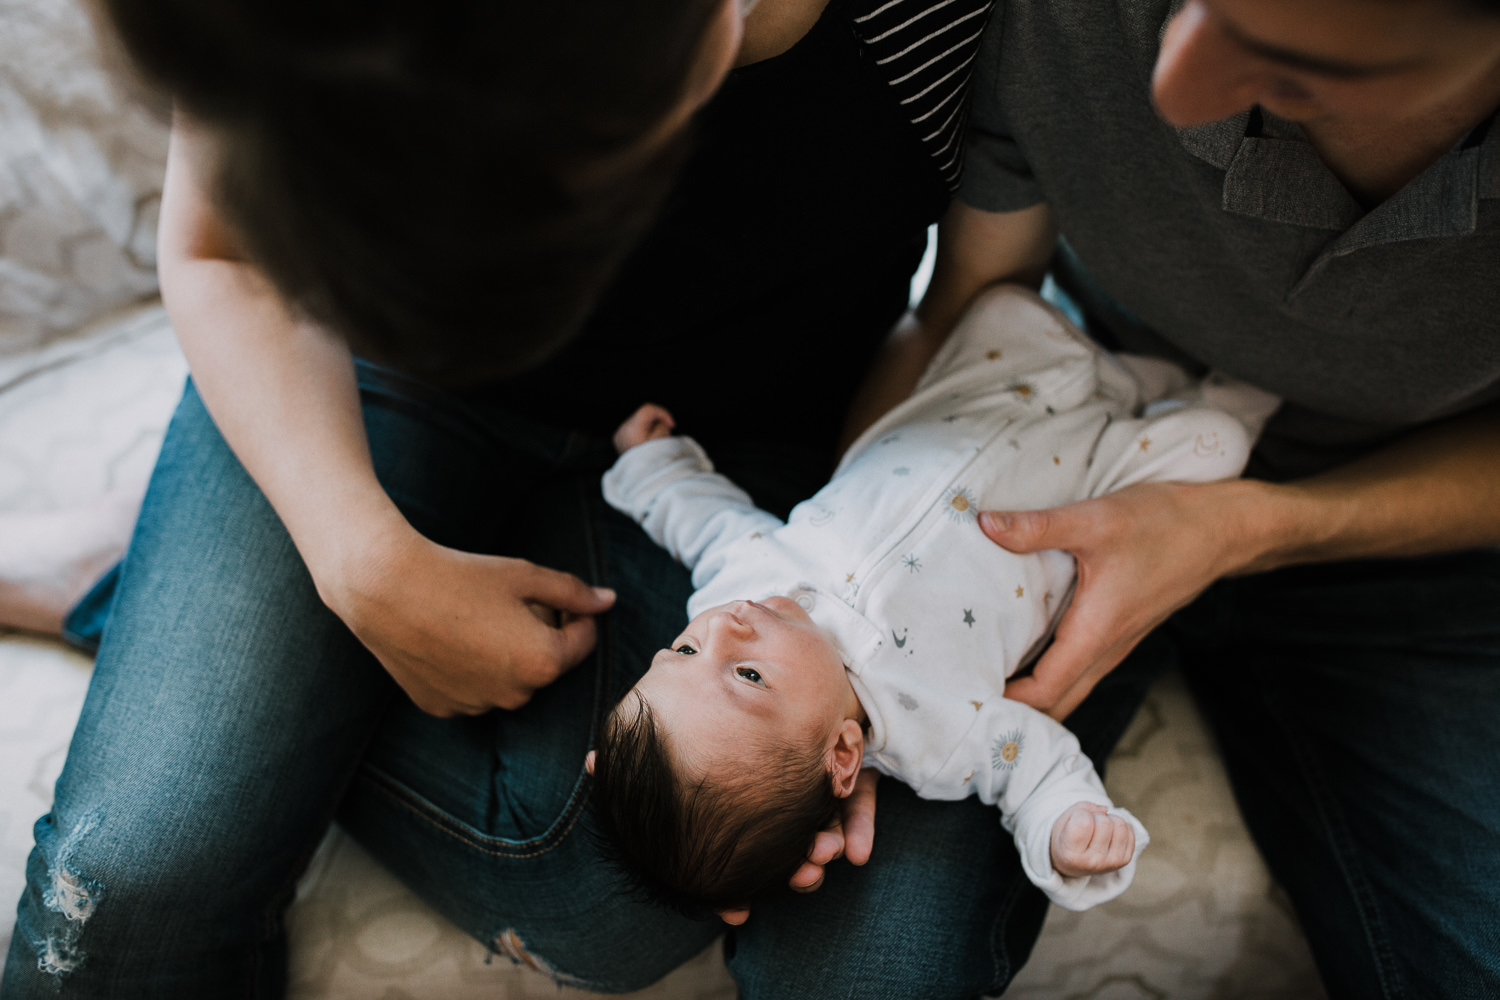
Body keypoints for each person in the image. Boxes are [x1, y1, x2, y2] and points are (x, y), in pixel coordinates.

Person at [3, 0, 1020, 996]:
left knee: (619, 887)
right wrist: (361, 562)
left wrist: (867, 642)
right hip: (390, 371)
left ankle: (130, 578)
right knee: (134, 881)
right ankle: (143, 580)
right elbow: (225, 245)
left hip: (755, 434)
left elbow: (975, 299)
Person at [587, 282, 1283, 914]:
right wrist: (1064, 828)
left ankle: (1128, 348)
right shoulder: (940, 738)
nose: (724, 626)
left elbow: (702, 521)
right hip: (1099, 479)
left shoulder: (739, 583)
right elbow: (1029, 767)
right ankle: (1266, 362)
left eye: (682, 647)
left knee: (1002, 307)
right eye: (747, 674)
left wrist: (651, 466)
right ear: (842, 754)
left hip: (985, 395)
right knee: (1213, 445)